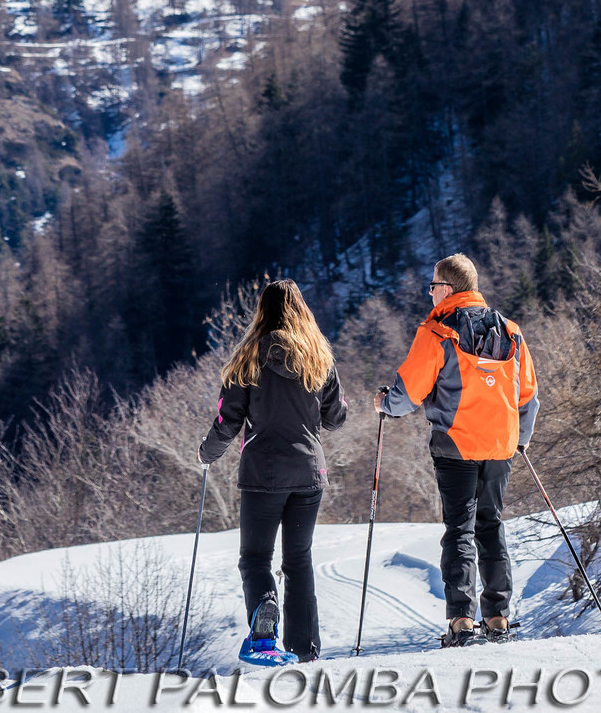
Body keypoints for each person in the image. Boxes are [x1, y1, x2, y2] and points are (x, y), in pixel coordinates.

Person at [378, 253, 538, 647]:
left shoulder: (436, 332)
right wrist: (521, 437)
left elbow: (409, 392)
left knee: (460, 531)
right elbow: (528, 395)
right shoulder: (511, 332)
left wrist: (385, 404)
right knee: (491, 525)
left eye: (433, 286)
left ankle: (461, 622)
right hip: (500, 445)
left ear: (447, 289)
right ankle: (498, 618)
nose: (430, 293)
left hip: (455, 444)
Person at [200, 278, 346, 662]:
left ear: (262, 312)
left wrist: (206, 454)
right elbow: (335, 418)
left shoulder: (247, 357)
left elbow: (226, 422)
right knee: (298, 559)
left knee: (254, 559)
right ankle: (306, 647)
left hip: (262, 475)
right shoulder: (319, 357)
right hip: (309, 474)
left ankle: (264, 634)